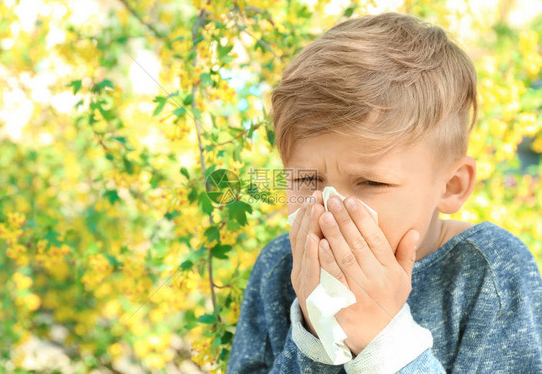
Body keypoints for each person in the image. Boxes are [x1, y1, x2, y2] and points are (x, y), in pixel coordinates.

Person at [226, 11, 542, 373]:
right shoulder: (280, 269)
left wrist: (383, 342)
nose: (331, 211)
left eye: (372, 183)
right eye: (307, 181)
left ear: (451, 186)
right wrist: (317, 333)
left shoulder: (490, 273)